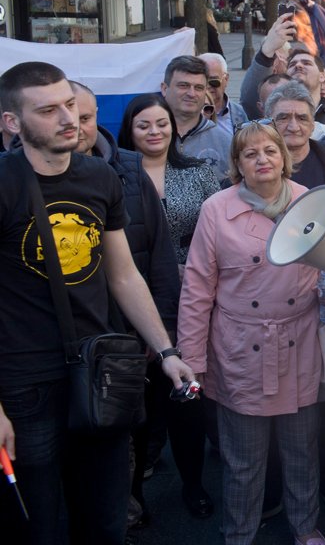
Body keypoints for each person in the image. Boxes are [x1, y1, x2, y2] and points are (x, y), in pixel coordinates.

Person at [0, 62, 195, 545]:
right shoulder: (3, 185)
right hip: (24, 382)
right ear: (11, 122)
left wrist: (167, 352)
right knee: (37, 525)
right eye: (48, 110)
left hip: (100, 368)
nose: (68, 118)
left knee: (106, 522)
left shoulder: (99, 177)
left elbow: (123, 273)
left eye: (70, 104)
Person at [177, 121, 325, 545]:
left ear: (283, 159)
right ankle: (239, 533)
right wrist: (193, 362)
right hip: (240, 349)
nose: (262, 160)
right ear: (237, 164)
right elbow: (197, 290)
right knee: (244, 459)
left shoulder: (310, 200)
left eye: (269, 151)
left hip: (299, 343)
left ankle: (305, 528)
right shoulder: (216, 209)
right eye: (250, 154)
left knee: (301, 451)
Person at [75, 84, 194, 522]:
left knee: (130, 427)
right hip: (60, 342)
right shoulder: (16, 180)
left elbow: (155, 262)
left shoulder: (127, 171)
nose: (74, 125)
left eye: (85, 116)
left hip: (126, 335)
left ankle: (129, 508)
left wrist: (161, 336)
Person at [162, 54, 232, 177]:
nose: (191, 93)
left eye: (199, 88)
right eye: (183, 85)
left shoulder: (226, 141)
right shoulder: (149, 137)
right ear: (164, 88)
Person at [199, 53, 248, 135]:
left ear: (226, 79)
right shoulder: (186, 112)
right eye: (201, 80)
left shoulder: (239, 113)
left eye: (213, 80)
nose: (207, 86)